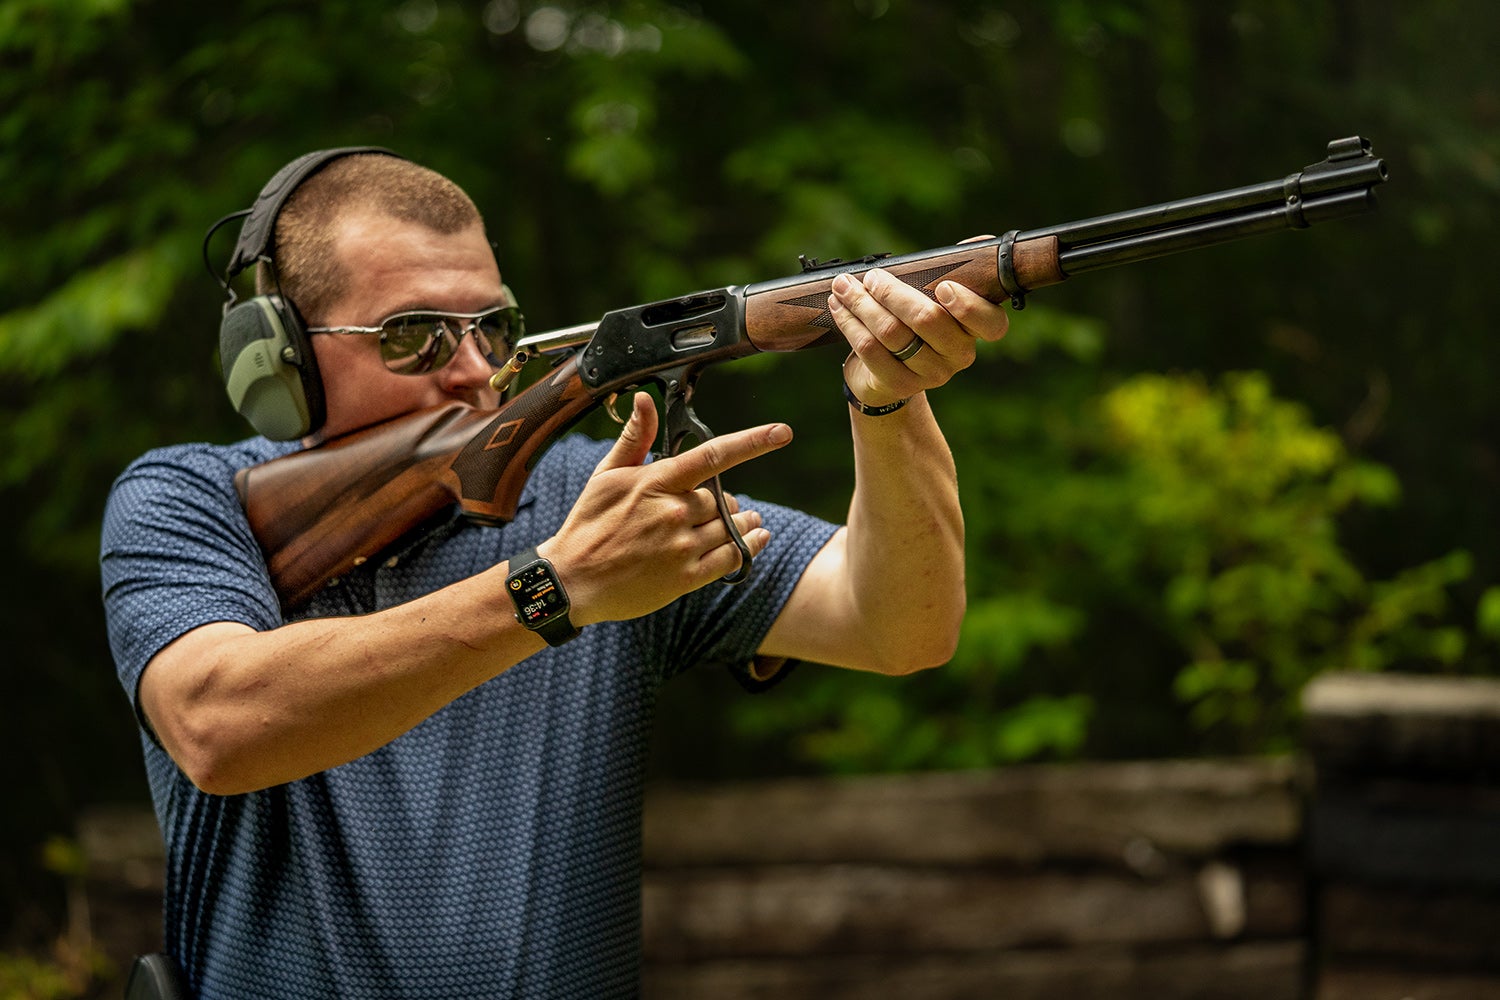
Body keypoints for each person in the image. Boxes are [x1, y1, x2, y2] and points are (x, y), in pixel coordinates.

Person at [100, 149, 1009, 998]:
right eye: (414, 336)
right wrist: (555, 589)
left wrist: (888, 401)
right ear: (277, 354)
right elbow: (219, 724)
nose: (473, 370)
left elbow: (898, 626)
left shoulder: (595, 499)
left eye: (493, 328)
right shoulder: (193, 498)